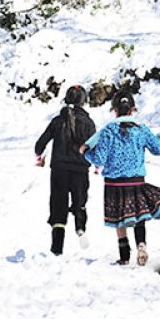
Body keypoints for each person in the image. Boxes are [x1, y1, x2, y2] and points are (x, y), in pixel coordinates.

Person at [80, 91, 160, 266]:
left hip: (114, 183)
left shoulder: (108, 131)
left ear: (114, 110)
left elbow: (99, 160)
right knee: (139, 217)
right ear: (132, 109)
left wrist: (86, 152)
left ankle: (124, 256)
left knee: (120, 220)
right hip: (136, 181)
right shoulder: (141, 130)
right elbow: (159, 149)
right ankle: (141, 245)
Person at [35, 85, 96, 256]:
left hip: (59, 170)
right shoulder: (89, 123)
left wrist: (40, 156)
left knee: (58, 206)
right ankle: (80, 229)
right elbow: (94, 147)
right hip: (80, 170)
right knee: (79, 202)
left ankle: (57, 248)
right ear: (83, 101)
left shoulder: (57, 121)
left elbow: (39, 145)